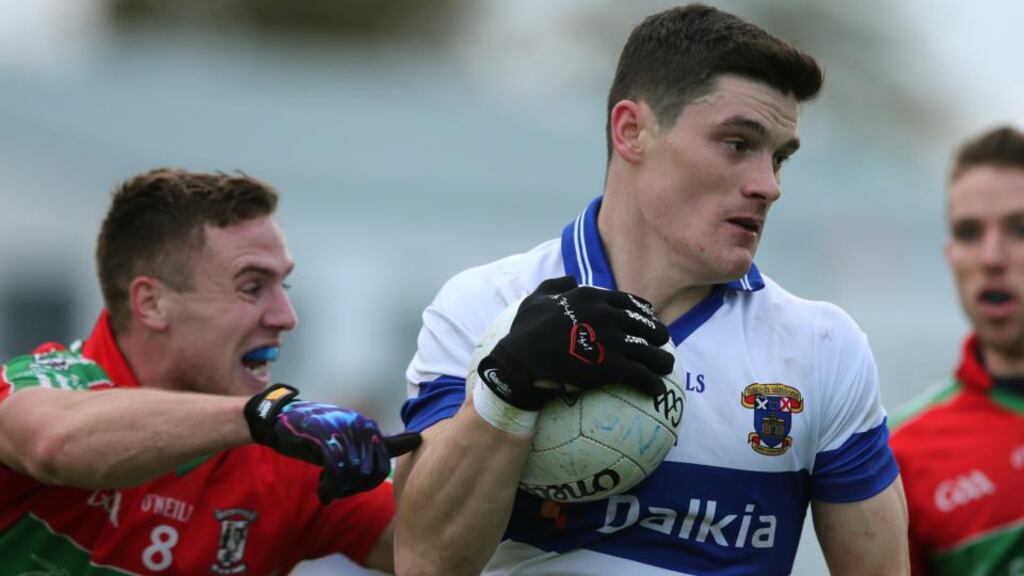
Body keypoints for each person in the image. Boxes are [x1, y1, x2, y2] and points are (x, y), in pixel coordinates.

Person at [394, 4, 910, 575]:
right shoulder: (482, 307)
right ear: (632, 131)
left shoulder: (822, 348)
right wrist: (508, 387)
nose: (768, 186)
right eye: (738, 144)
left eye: (779, 158)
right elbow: (427, 562)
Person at [0, 168, 419, 574]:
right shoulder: (40, 385)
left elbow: (448, 549)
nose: (286, 316)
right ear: (152, 303)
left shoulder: (282, 457)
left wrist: (483, 411)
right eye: (252, 287)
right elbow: (54, 444)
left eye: (283, 286)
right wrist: (263, 415)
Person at [889, 126, 1024, 575]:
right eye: (969, 232)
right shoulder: (900, 451)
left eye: (1019, 229)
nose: (991, 257)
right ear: (950, 254)